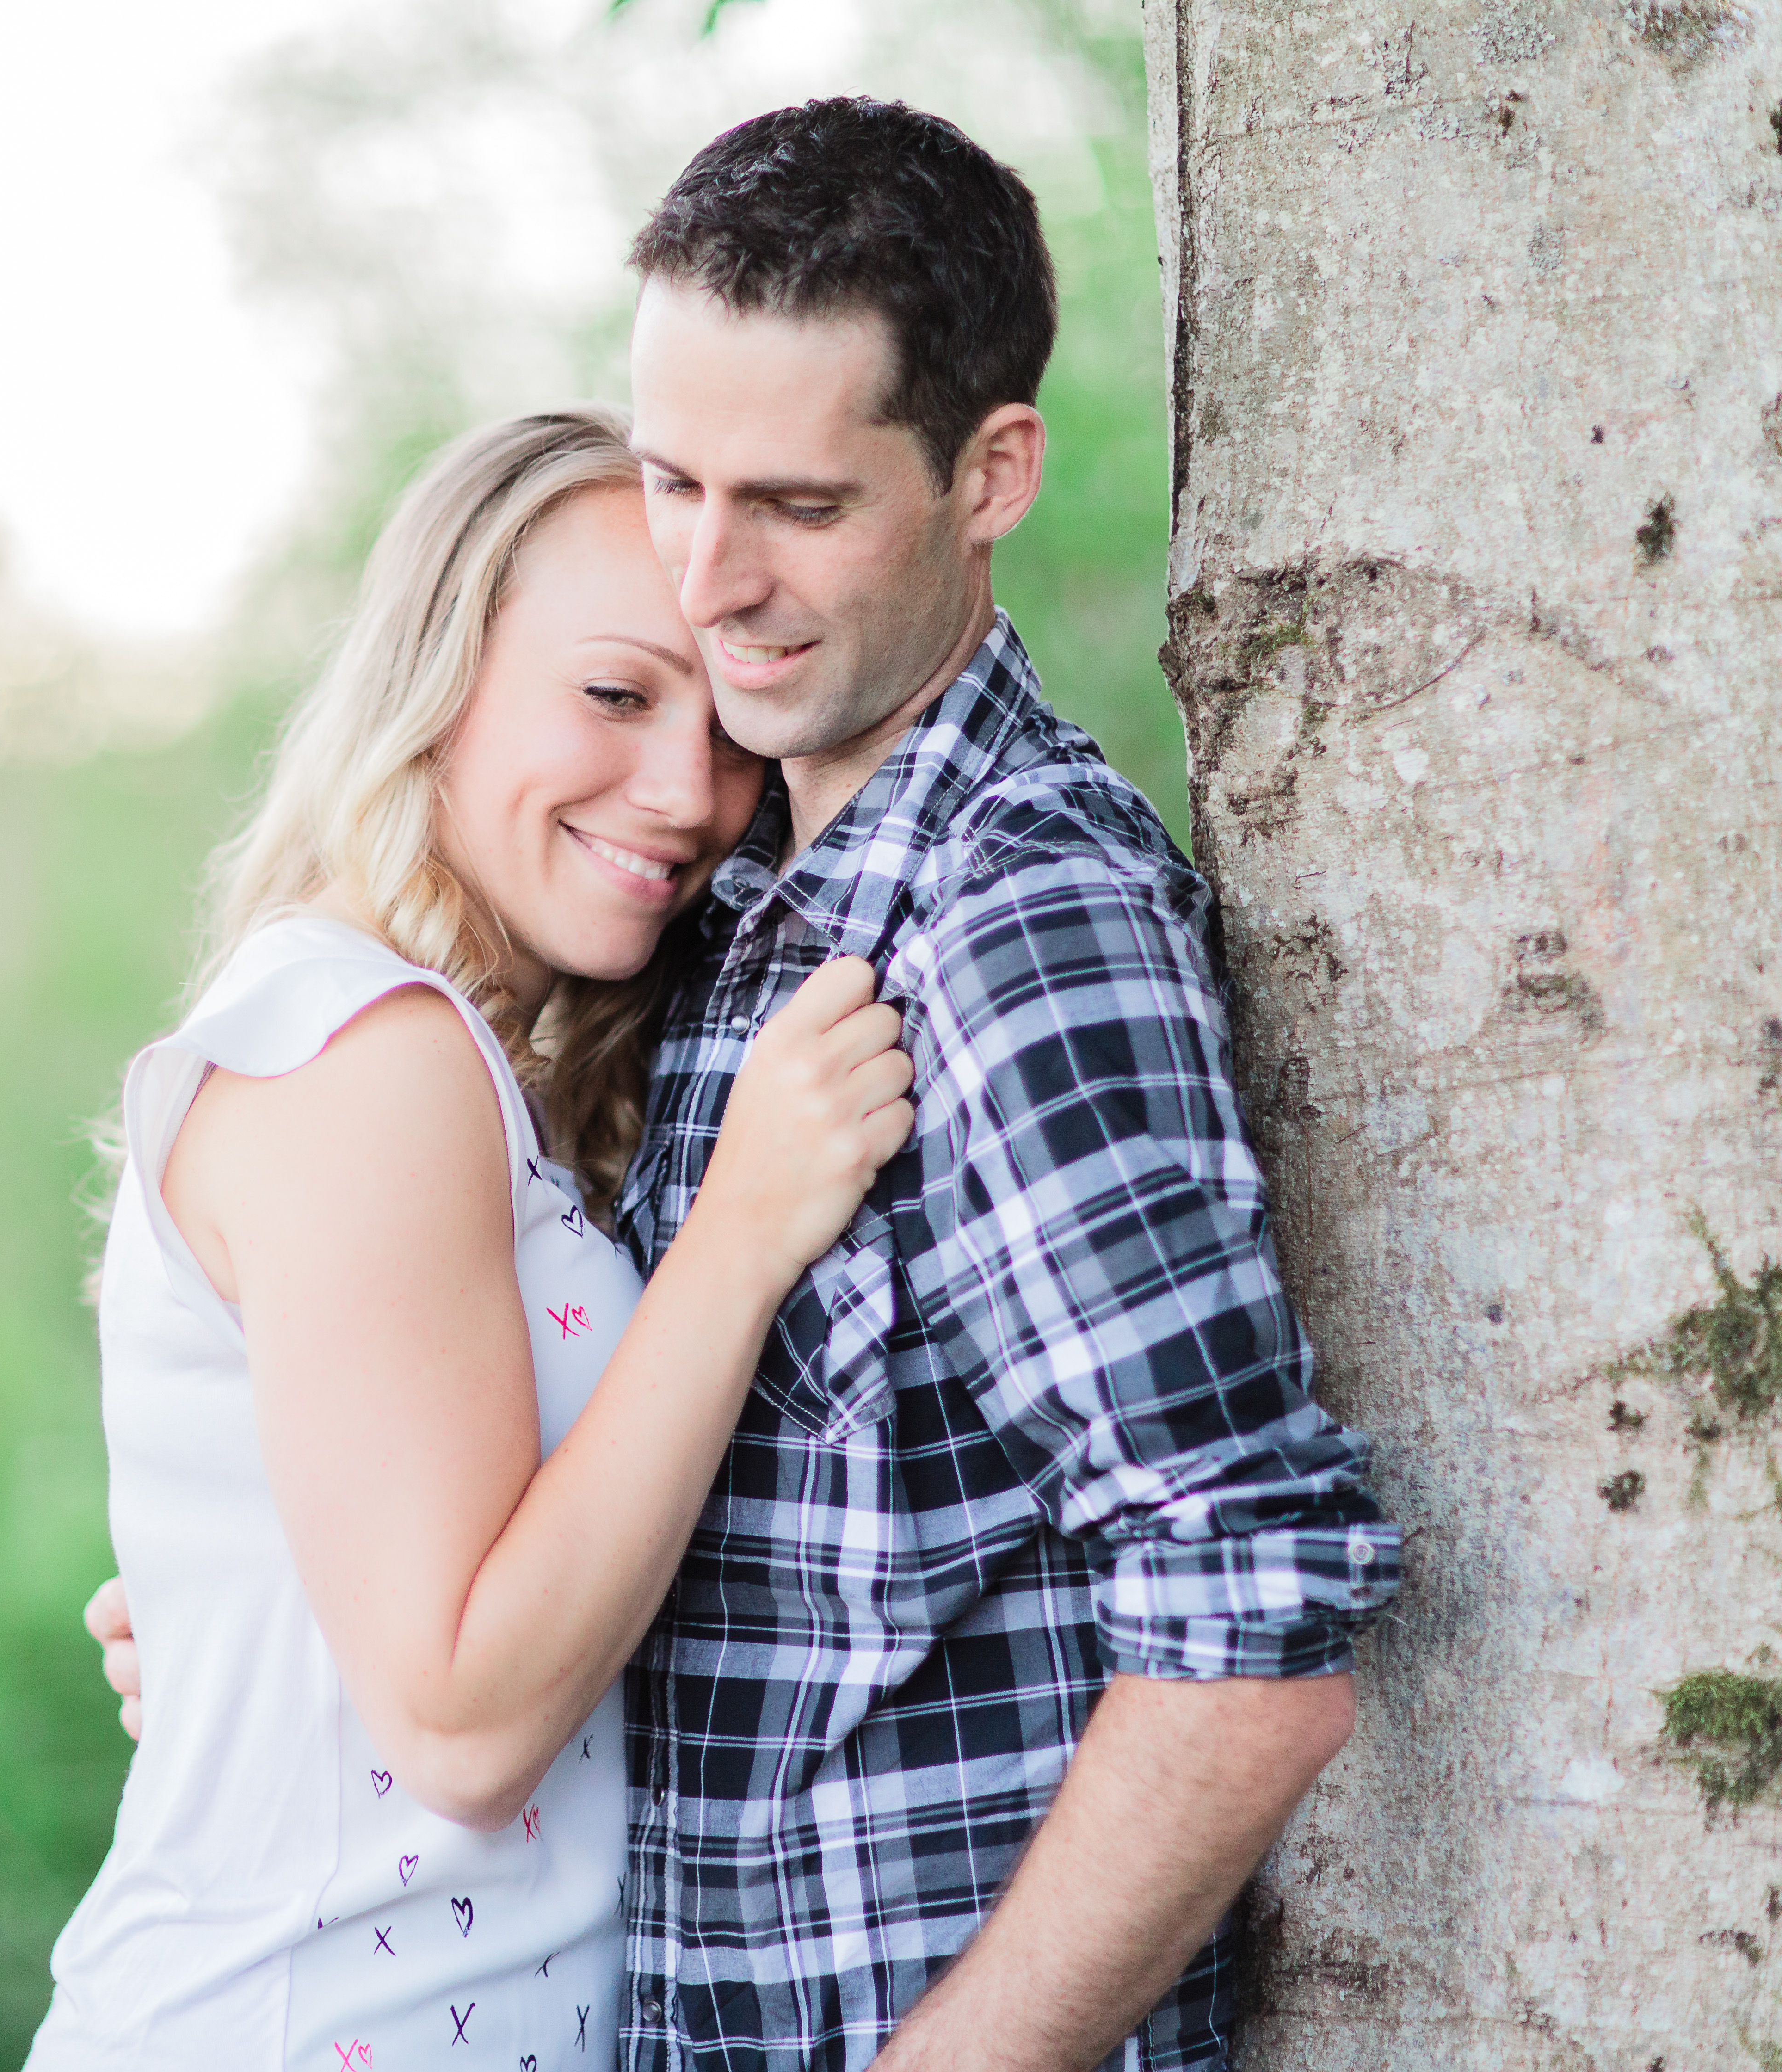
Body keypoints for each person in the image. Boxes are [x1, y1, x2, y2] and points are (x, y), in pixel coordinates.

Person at [91, 99, 1404, 2072]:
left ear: (991, 473)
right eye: (676, 484)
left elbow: (1253, 1590)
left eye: (796, 505)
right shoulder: (717, 929)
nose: (714, 578)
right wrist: (263, 1621)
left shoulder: (1008, 926)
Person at [25, 405, 917, 2072]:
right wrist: (743, 1235)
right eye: (613, 693)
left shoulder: (474, 1067)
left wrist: (256, 1642)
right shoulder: (369, 1052)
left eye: (724, 723)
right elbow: (460, 1719)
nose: (689, 792)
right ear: (437, 677)